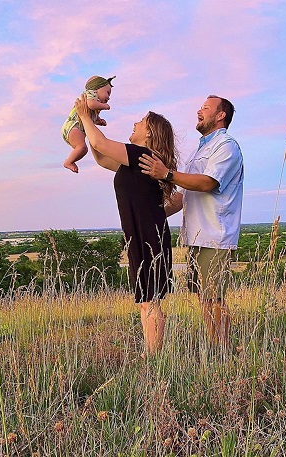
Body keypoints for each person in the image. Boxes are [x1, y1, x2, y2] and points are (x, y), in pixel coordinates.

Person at [74, 93, 178, 355]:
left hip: (147, 237)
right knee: (145, 301)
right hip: (142, 235)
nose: (135, 122)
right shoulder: (136, 161)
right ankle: (150, 354)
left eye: (141, 121)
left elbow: (99, 142)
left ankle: (154, 359)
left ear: (150, 133)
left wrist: (85, 116)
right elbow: (99, 155)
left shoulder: (141, 153)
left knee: (150, 301)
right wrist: (90, 121)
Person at [138, 95, 243, 347]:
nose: (199, 110)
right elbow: (182, 197)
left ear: (221, 116)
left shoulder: (226, 146)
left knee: (214, 297)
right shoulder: (200, 149)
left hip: (215, 235)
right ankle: (217, 347)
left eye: (206, 108)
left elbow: (208, 183)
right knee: (203, 297)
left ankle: (224, 351)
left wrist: (166, 173)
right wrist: (147, 217)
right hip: (197, 235)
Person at [62, 75, 116, 173]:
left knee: (83, 149)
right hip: (74, 126)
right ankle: (68, 162)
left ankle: (70, 160)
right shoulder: (91, 94)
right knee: (82, 147)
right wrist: (104, 106)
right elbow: (91, 104)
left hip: (77, 129)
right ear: (96, 88)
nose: (108, 97)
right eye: (107, 93)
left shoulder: (94, 107)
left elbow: (89, 118)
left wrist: (98, 121)